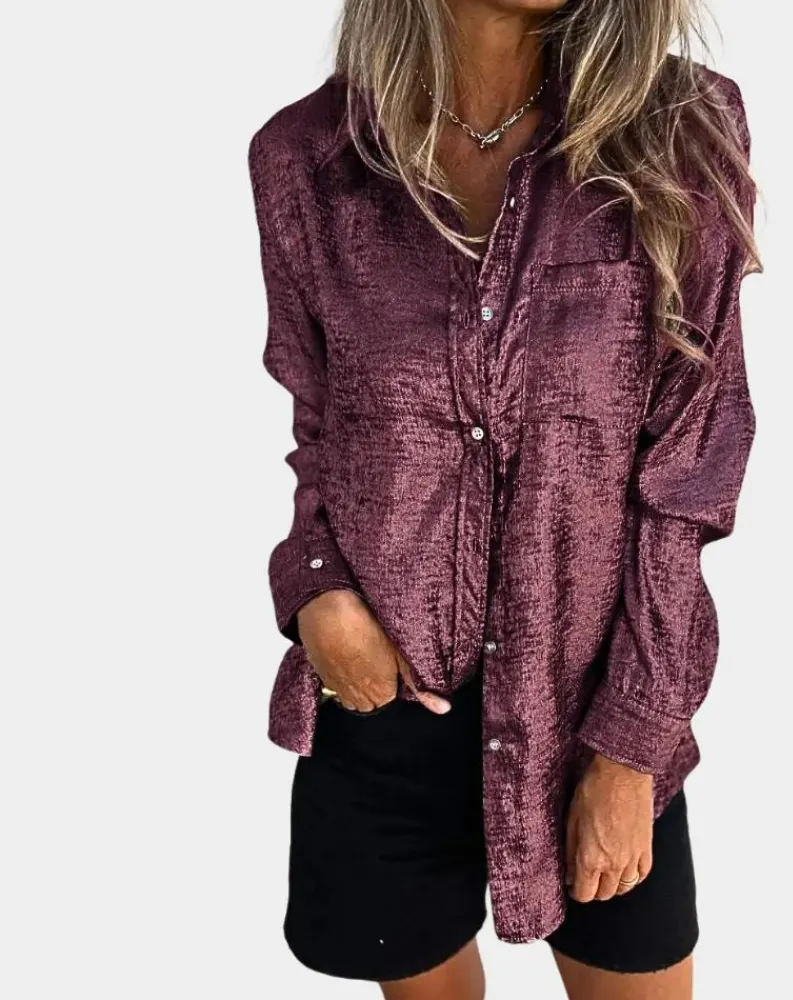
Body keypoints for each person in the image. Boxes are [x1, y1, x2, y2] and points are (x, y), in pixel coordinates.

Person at [247, 1, 759, 997]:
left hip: (589, 707)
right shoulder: (307, 160)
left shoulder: (680, 130)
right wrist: (316, 588)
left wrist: (632, 746)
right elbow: (320, 424)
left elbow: (691, 466)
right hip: (387, 698)